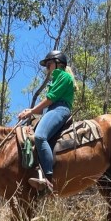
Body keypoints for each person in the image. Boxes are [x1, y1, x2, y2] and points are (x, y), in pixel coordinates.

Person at [17, 50, 76, 193]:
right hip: (52, 110)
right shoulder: (56, 79)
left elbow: (50, 99)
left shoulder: (63, 76)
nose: (47, 68)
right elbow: (45, 106)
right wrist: (28, 112)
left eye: (49, 64)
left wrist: (31, 111)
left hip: (60, 109)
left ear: (58, 64)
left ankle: (48, 179)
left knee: (39, 136)